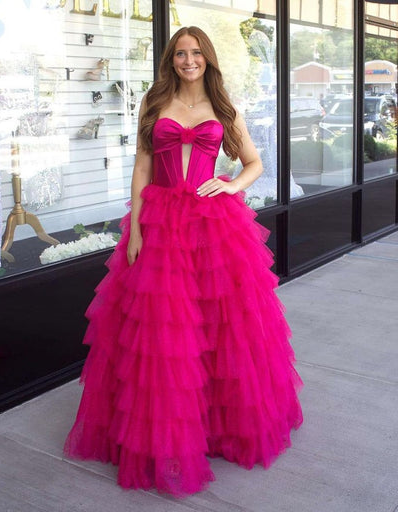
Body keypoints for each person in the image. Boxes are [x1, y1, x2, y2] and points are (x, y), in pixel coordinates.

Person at [64, 26, 303, 497]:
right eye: (180, 54)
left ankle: (218, 428)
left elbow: (253, 162)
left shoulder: (224, 108)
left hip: (215, 226)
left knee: (223, 327)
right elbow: (142, 167)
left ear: (207, 59)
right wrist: (133, 229)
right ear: (171, 60)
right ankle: (168, 437)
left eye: (195, 53)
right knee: (164, 333)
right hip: (161, 224)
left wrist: (231, 185)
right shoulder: (154, 104)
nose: (188, 60)